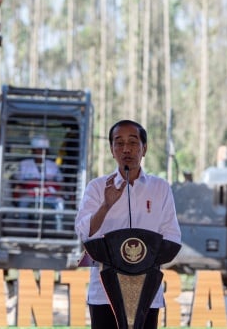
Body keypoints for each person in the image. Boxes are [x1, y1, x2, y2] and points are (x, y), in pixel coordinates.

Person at [74, 120, 182, 329]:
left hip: (147, 292)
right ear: (111, 150)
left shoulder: (160, 188)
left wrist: (145, 258)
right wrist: (106, 205)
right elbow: (83, 232)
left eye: (133, 142)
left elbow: (172, 236)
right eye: (119, 143)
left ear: (144, 149)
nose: (126, 149)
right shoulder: (97, 188)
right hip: (105, 292)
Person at [13, 134, 65, 230]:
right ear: (33, 150)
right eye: (39, 149)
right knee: (22, 203)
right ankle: (22, 229)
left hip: (49, 195)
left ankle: (59, 230)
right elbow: (17, 182)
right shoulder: (24, 164)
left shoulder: (52, 165)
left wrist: (58, 193)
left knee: (60, 203)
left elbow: (60, 182)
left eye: (44, 149)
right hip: (29, 195)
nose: (41, 152)